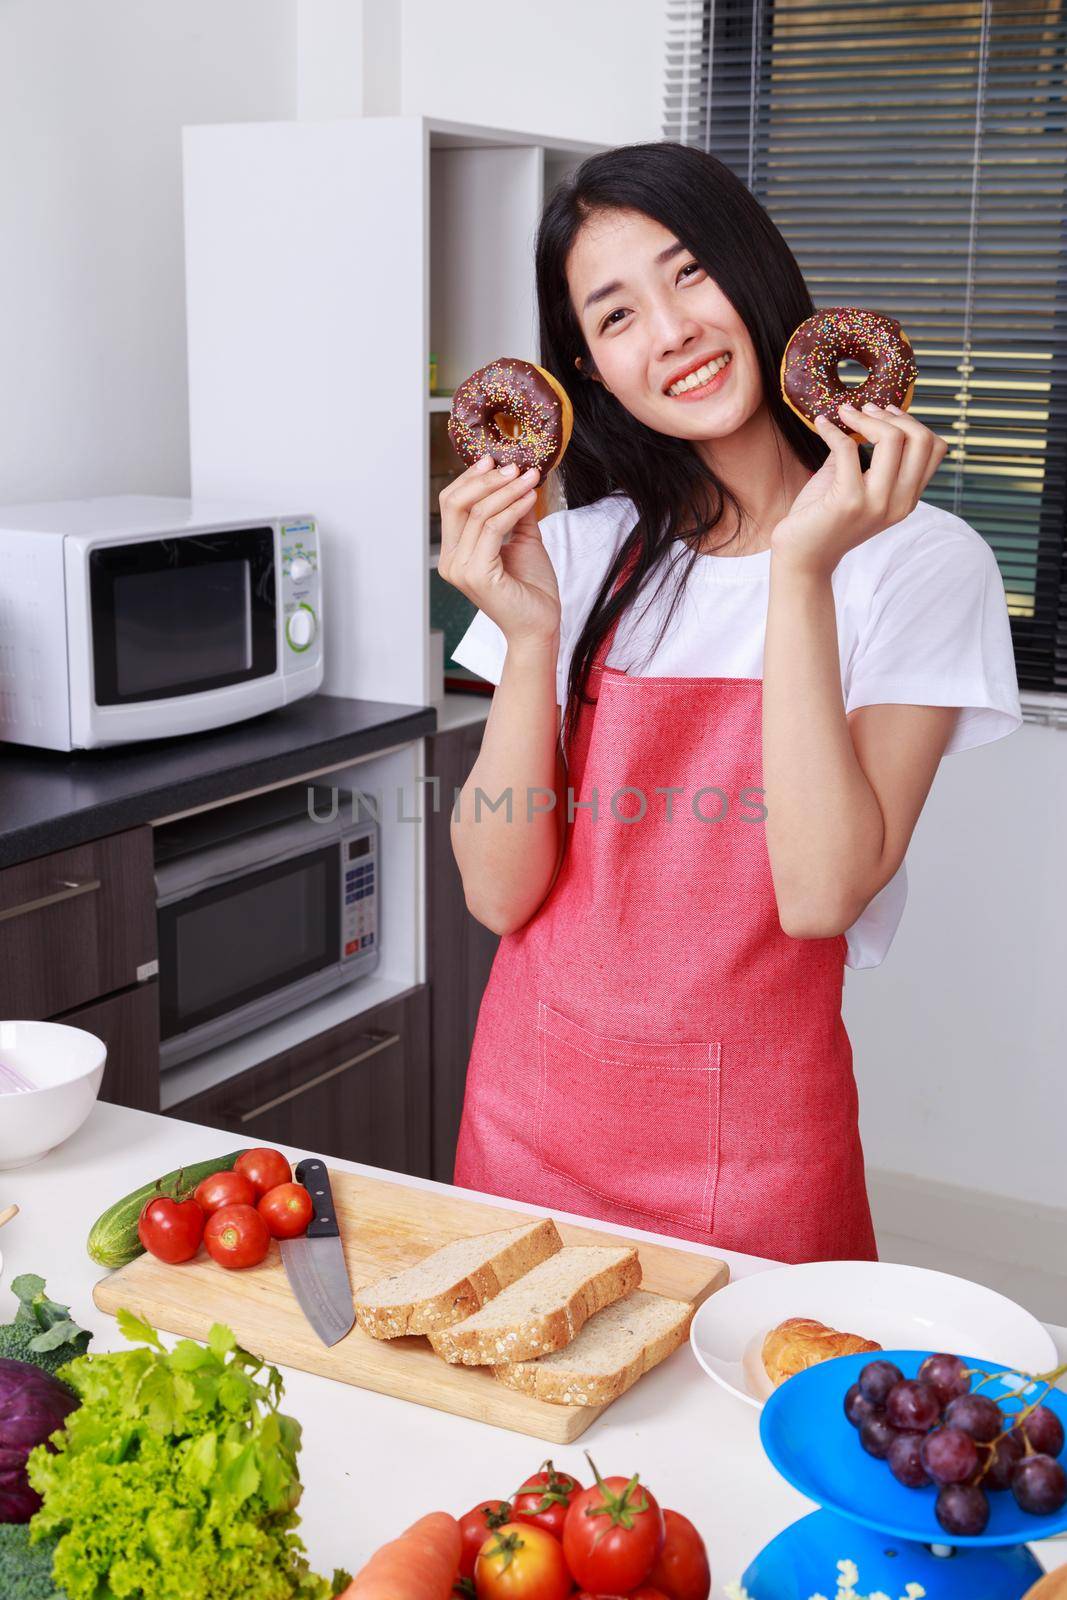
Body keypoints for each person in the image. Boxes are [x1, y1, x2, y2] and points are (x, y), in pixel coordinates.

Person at [439, 142, 1022, 1265]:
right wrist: (526, 641)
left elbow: (816, 892)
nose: (668, 333)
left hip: (750, 1152)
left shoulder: (914, 561)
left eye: (689, 273)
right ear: (587, 371)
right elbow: (496, 890)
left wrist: (799, 572)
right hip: (525, 1123)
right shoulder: (568, 552)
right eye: (614, 317)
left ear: (754, 274)